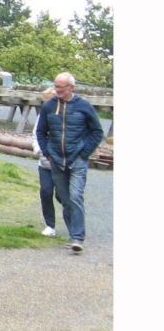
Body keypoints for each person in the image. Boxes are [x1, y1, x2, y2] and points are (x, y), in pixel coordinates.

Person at [34, 72, 104, 253]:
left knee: (75, 196)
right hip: (56, 160)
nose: (57, 90)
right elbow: (41, 132)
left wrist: (84, 153)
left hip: (77, 160)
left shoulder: (84, 106)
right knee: (65, 199)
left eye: (61, 87)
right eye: (56, 86)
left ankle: (77, 237)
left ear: (71, 88)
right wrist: (47, 152)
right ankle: (74, 233)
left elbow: (97, 132)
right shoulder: (49, 106)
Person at [30, 88, 61, 237]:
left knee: (62, 195)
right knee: (46, 192)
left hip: (61, 164)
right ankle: (50, 225)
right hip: (44, 163)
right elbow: (36, 134)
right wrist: (38, 149)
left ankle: (72, 218)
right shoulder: (42, 115)